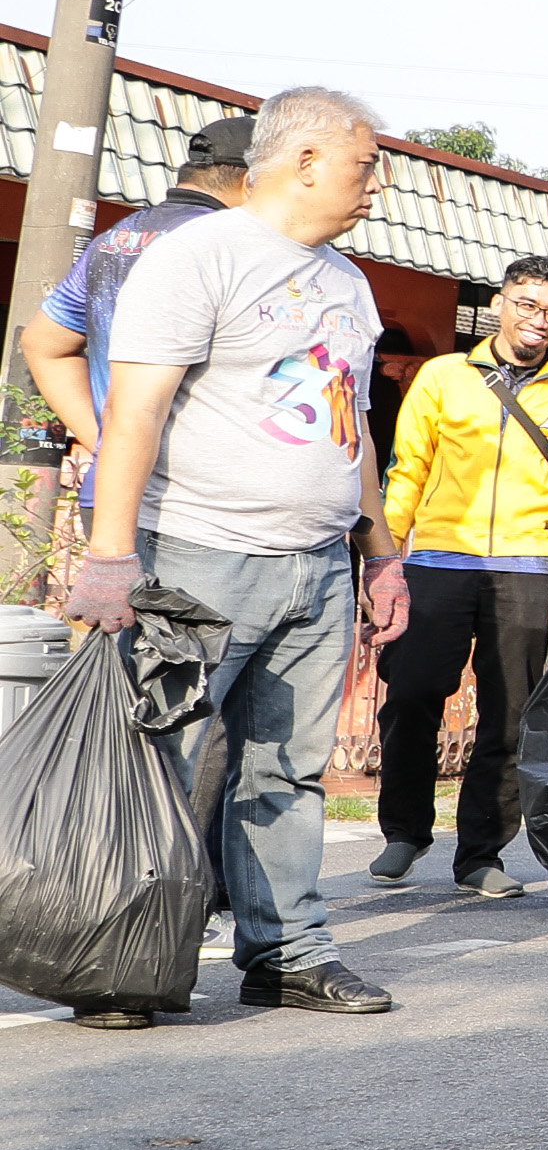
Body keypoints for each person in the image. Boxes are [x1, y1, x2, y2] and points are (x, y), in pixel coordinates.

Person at [64, 86, 410, 1021]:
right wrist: (109, 556)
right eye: (365, 161)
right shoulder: (197, 258)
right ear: (302, 161)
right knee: (163, 759)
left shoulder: (349, 279)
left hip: (316, 566)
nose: (378, 181)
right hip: (199, 556)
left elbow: (354, 424)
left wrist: (378, 553)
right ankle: (121, 956)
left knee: (287, 771)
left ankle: (286, 951)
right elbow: (133, 412)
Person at [369, 257, 548, 896]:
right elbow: (406, 470)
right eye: (528, 304)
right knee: (413, 693)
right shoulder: (445, 376)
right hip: (436, 562)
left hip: (530, 571)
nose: (540, 321)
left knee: (510, 717)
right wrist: (384, 560)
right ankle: (405, 830)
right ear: (501, 303)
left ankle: (479, 855)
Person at [22, 113, 253, 527]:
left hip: (111, 494)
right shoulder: (228, 246)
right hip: (197, 510)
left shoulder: (114, 239)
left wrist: (107, 443)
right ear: (251, 181)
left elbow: (43, 344)